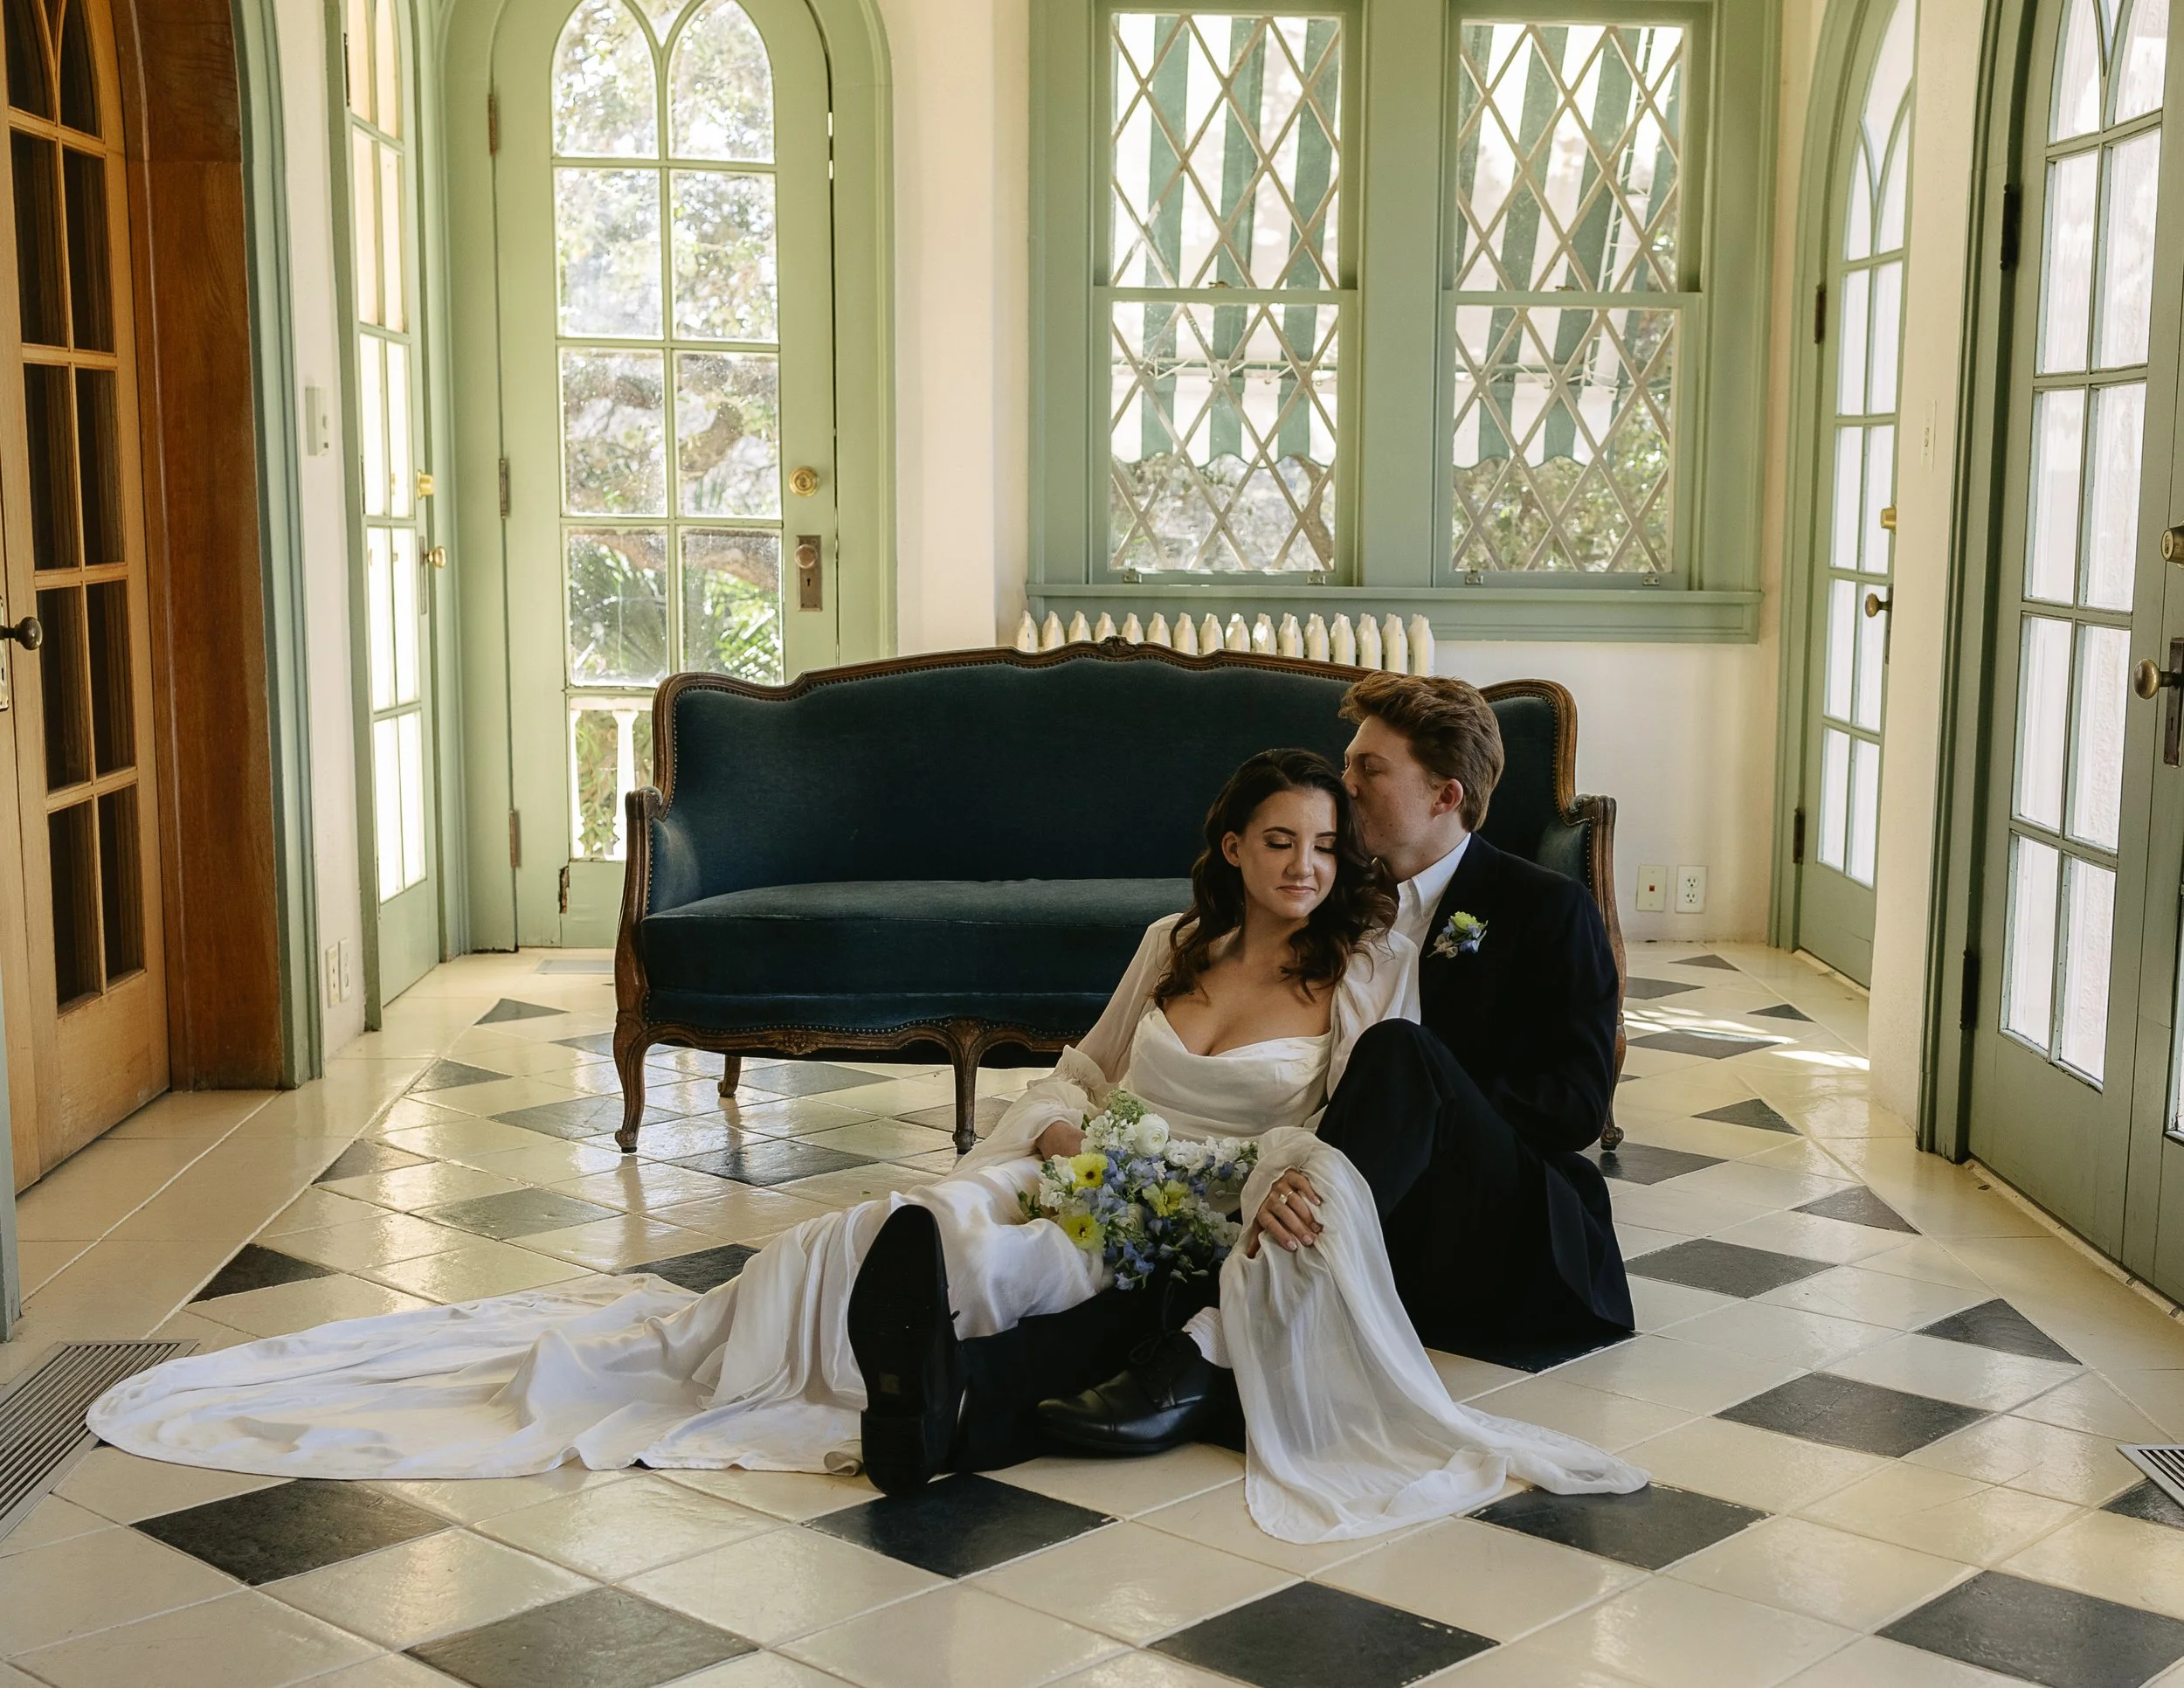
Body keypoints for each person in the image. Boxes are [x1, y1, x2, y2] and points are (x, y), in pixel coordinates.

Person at [1044, 673, 1634, 1456]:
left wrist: (1428, 1101)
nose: (1343, 782)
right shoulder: (1335, 895)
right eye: (1349, 762)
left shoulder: (1545, 907)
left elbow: (1577, 1107)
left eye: (1369, 769)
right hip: (1381, 1216)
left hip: (1504, 1219)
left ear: (1444, 794)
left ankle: (1218, 1342)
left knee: (1399, 1053)